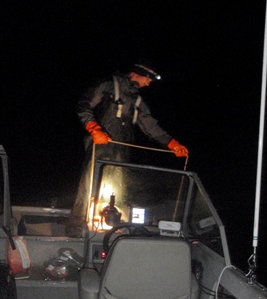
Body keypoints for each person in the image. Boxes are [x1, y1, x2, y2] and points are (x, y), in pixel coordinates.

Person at [67, 59, 188, 235]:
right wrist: (94, 128)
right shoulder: (108, 85)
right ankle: (76, 228)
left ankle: (114, 228)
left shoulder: (136, 100)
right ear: (138, 74)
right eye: (148, 79)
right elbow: (83, 105)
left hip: (121, 152)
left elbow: (150, 126)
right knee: (89, 186)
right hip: (100, 147)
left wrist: (171, 143)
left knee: (119, 190)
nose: (148, 84)